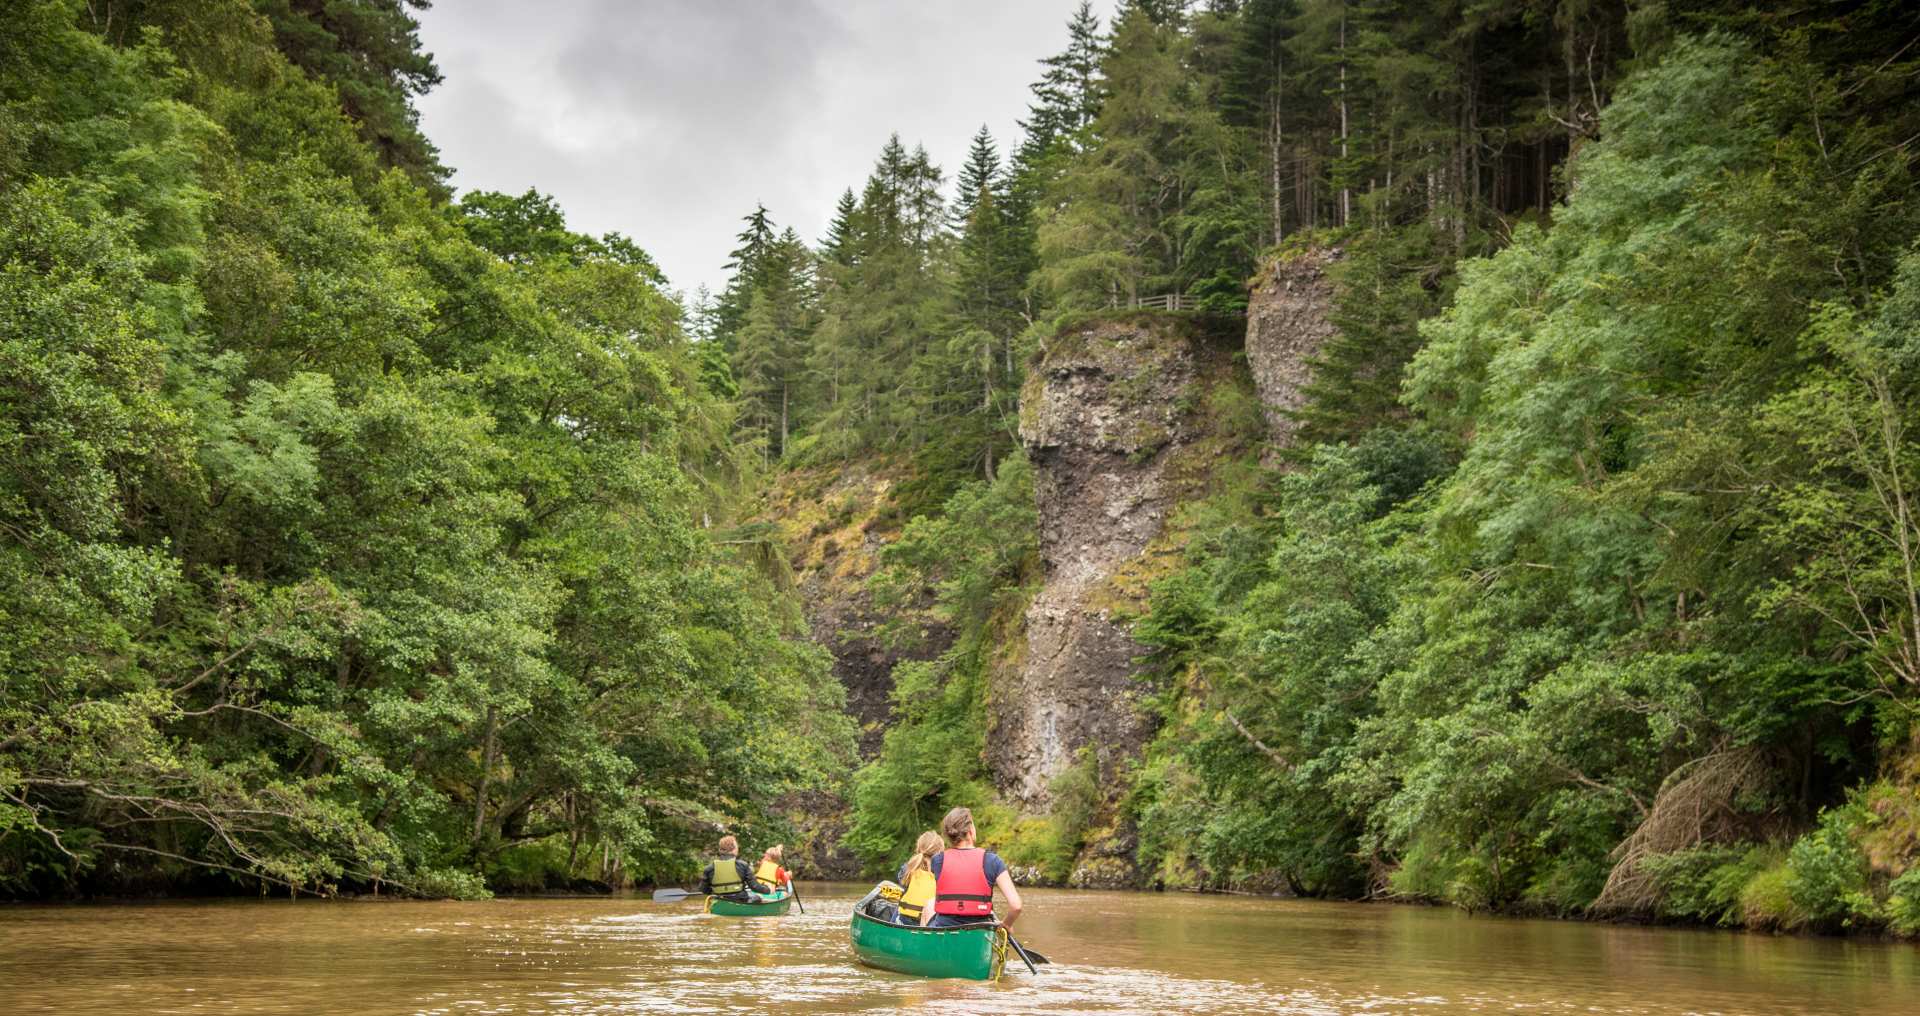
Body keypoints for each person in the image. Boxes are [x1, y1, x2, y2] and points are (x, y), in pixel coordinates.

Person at [923, 806, 1022, 929]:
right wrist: (1006, 925)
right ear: (970, 830)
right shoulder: (993, 860)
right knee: (990, 912)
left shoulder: (937, 861)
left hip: (945, 928)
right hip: (979, 931)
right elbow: (1016, 906)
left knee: (929, 905)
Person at [699, 834, 770, 902]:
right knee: (757, 897)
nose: (738, 848)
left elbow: (703, 889)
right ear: (733, 849)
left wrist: (715, 892)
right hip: (740, 900)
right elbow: (755, 887)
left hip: (720, 900)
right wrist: (768, 889)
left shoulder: (709, 868)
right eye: (737, 847)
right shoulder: (742, 865)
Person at [894, 830, 943, 925]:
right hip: (930, 922)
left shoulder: (908, 868)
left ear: (918, 848)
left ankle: (890, 928)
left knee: (899, 904)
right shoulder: (942, 872)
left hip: (906, 921)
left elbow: (902, 883)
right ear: (940, 851)